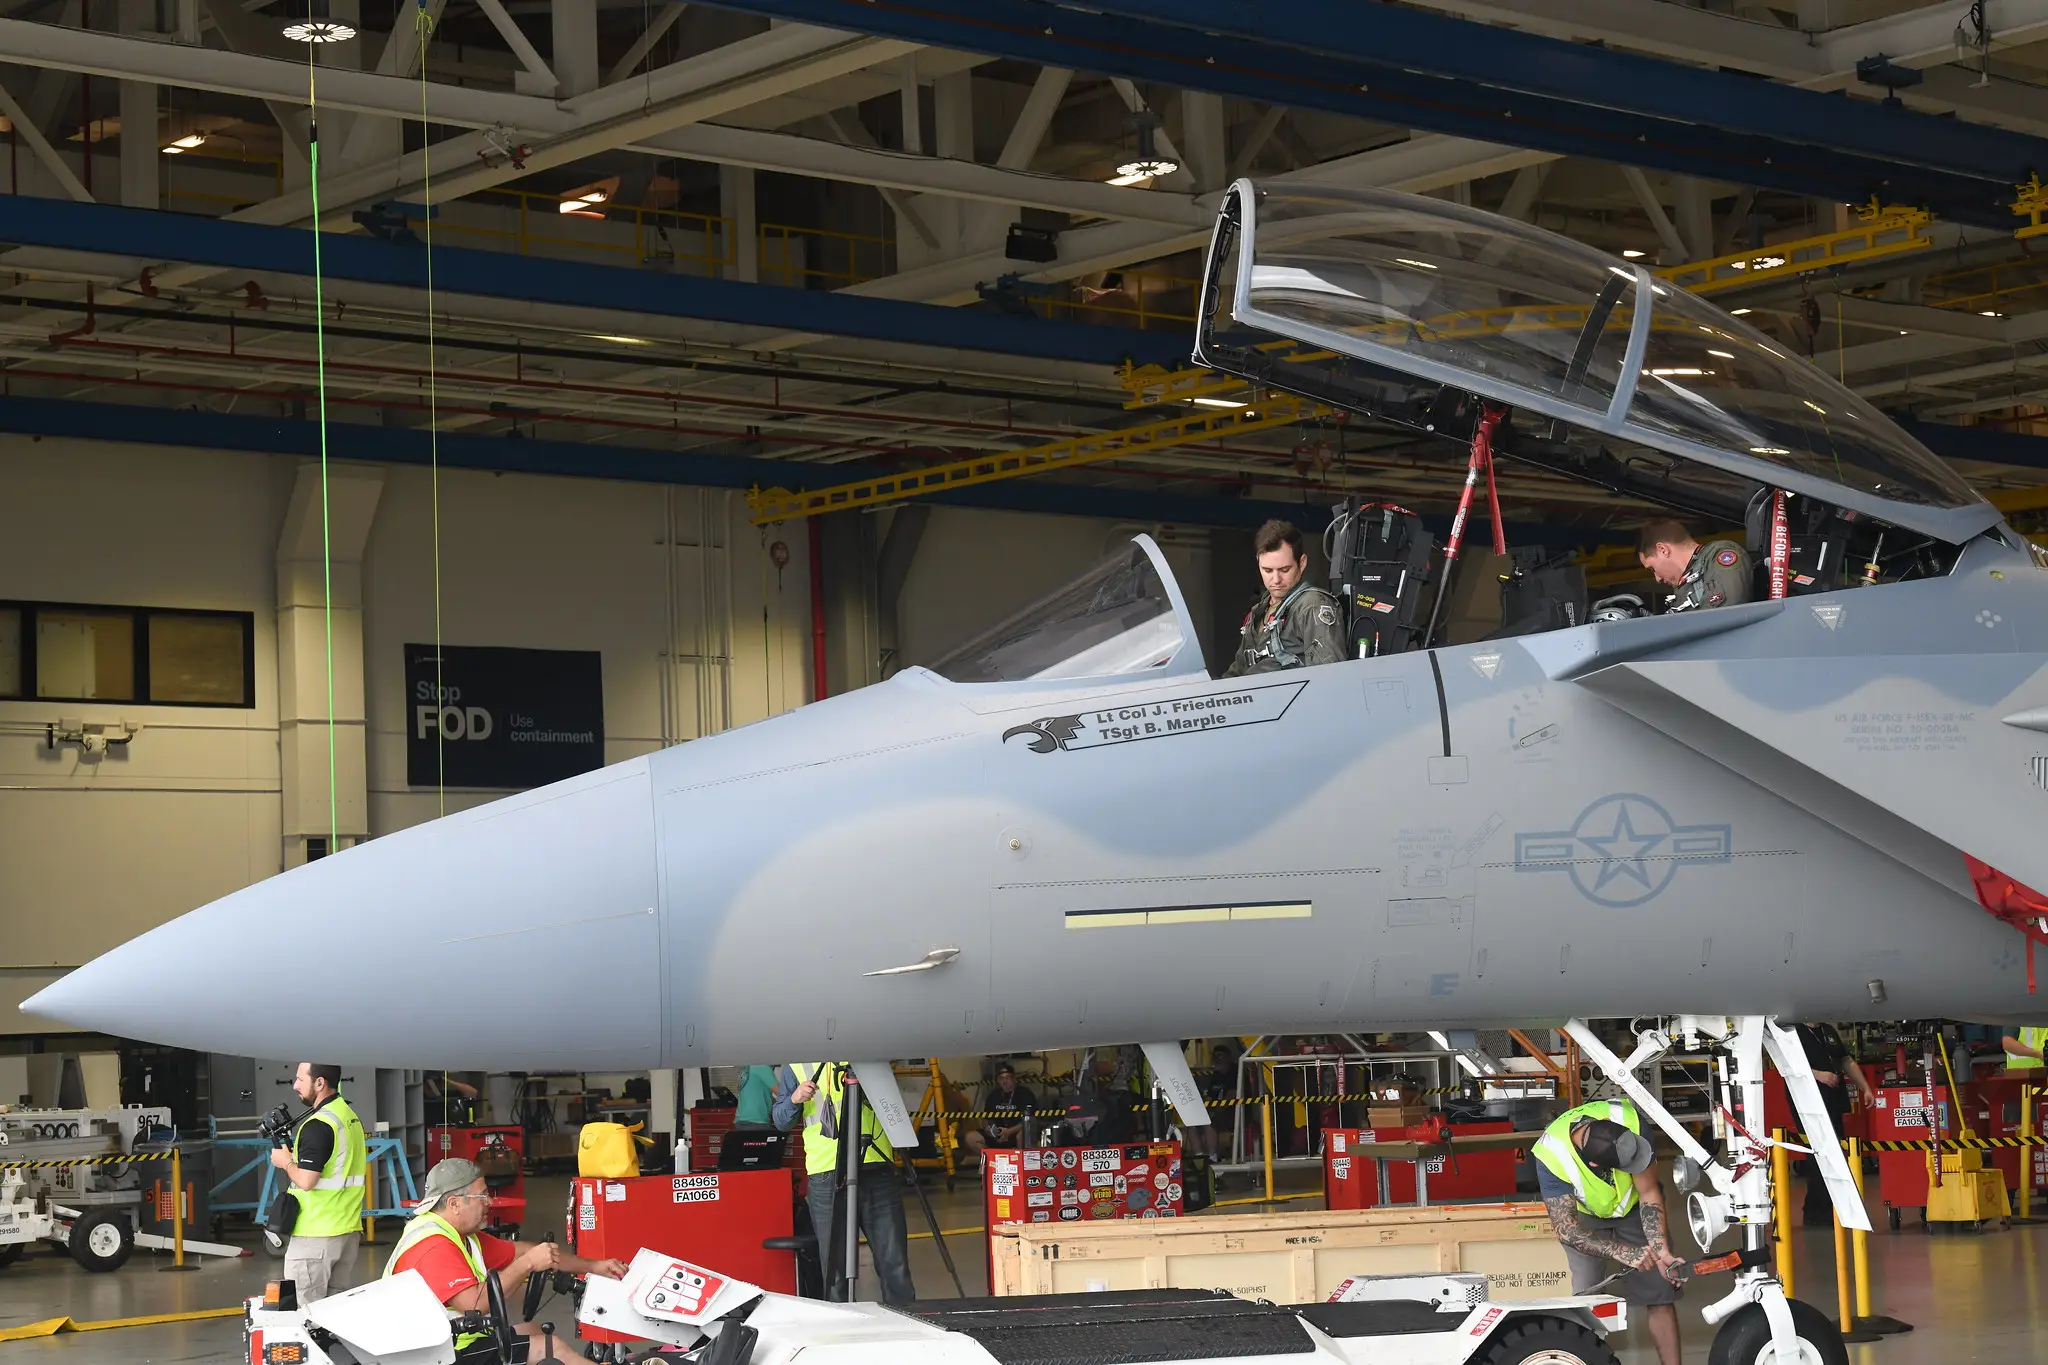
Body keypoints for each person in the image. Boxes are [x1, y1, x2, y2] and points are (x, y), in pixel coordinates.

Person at [384, 1158, 627, 1363]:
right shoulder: (434, 1244)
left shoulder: (461, 1236)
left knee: (531, 1330)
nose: (489, 1202)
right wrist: (528, 1264)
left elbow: (525, 1250)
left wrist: (593, 1266)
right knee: (551, 1347)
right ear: (455, 1204)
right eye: (482, 1195)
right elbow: (475, 1306)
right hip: (436, 1353)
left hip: (454, 1339)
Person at [1534, 1098, 1684, 1365]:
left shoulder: (1631, 1123)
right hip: (1585, 1221)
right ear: (1597, 1166)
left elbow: (1649, 1192)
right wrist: (1622, 1251)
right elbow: (1568, 1231)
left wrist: (1662, 1252)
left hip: (1636, 1210)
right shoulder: (1551, 1154)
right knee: (1585, 1302)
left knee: (1660, 1293)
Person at [772, 1063, 915, 1304]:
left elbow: (892, 1104)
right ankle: (840, 1333)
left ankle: (909, 1329)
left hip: (875, 1166)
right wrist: (795, 1098)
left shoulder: (869, 1054)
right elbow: (780, 1121)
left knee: (894, 1264)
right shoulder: (797, 1066)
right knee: (834, 1272)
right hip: (827, 1173)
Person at [270, 1062, 366, 1301]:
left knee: (307, 1314)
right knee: (334, 1314)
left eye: (301, 1080)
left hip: (315, 1236)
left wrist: (286, 1162)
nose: (295, 1086)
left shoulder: (318, 1125)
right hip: (347, 1232)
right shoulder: (348, 1117)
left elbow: (306, 1180)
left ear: (320, 1083)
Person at [1224, 519, 1345, 676]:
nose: (1276, 580)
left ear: (1302, 563)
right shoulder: (1257, 612)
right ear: (1258, 562)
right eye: (1267, 570)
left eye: (1284, 569)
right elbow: (1237, 672)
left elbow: (1330, 676)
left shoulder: (1312, 606)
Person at [1792, 1022, 1875, 1225]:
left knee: (1837, 1155)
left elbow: (1846, 1061)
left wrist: (1866, 1088)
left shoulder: (1827, 1030)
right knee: (1819, 1158)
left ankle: (1833, 1209)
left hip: (1834, 1101)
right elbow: (1788, 1064)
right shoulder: (1794, 1032)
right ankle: (1816, 1214)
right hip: (1809, 1104)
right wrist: (1819, 1075)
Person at [1637, 518, 1752, 614]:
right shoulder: (1683, 589)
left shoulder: (1717, 555)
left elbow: (1728, 614)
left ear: (1663, 550)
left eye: (1652, 569)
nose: (1658, 579)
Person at [962, 1064, 1037, 1156]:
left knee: (1022, 1134)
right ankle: (992, 1160)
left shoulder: (1025, 1094)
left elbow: (1030, 1120)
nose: (1004, 1081)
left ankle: (1019, 1162)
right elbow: (985, 1119)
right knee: (970, 1137)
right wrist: (989, 1129)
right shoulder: (993, 1095)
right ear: (998, 1080)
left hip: (1014, 1132)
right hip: (997, 1134)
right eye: (1001, 1078)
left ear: (1014, 1079)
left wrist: (1009, 1132)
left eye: (1007, 1078)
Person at [734, 1065, 780, 1129]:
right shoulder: (763, 1067)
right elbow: (780, 1093)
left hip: (741, 1120)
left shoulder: (747, 1068)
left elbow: (755, 1093)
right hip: (756, 1121)